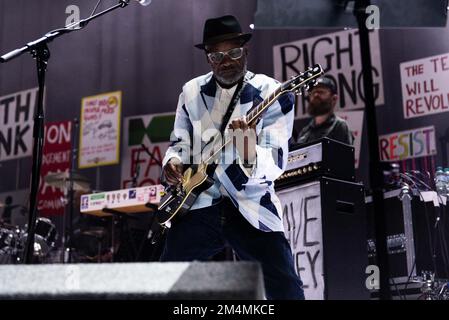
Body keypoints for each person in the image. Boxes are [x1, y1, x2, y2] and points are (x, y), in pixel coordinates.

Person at [160, 15, 304, 300]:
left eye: (234, 52)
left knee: (285, 288)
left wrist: (249, 150)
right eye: (217, 55)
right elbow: (179, 142)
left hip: (251, 203)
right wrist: (172, 162)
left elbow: (276, 162)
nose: (226, 61)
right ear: (207, 58)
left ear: (246, 51)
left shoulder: (271, 92)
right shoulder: (191, 92)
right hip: (199, 202)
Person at [297, 77, 354, 145]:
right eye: (313, 92)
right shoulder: (305, 132)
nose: (316, 95)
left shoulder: (340, 126)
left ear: (334, 99)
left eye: (321, 92)